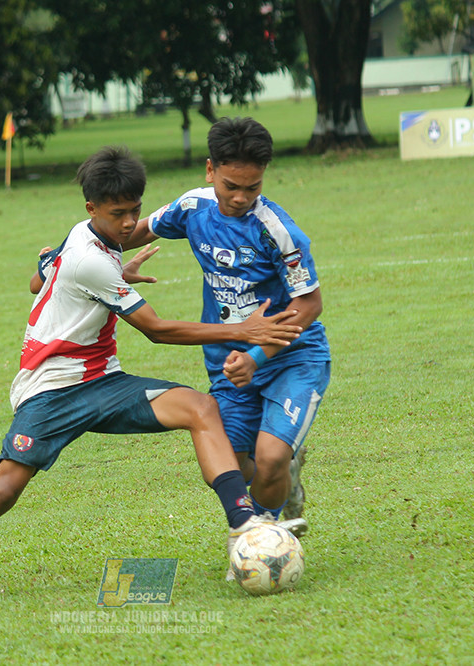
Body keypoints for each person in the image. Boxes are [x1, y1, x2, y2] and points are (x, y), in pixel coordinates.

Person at [0, 146, 306, 604]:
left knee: (200, 408)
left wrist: (117, 275)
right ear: (91, 208)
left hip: (103, 380)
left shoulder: (91, 241)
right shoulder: (89, 257)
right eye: (118, 214)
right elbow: (156, 330)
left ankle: (243, 523)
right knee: (2, 492)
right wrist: (244, 328)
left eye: (134, 211)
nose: (127, 224)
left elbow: (39, 279)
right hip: (51, 390)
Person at [122, 117, 331, 538]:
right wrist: (74, 255)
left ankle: (263, 537)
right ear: (209, 170)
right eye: (230, 186)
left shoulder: (278, 231)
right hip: (227, 363)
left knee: (269, 458)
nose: (239, 198)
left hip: (290, 358)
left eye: (251, 188)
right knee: (226, 468)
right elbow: (131, 232)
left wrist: (257, 357)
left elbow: (309, 303)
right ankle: (282, 484)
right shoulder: (192, 208)